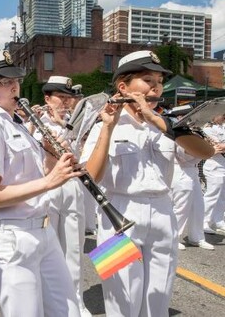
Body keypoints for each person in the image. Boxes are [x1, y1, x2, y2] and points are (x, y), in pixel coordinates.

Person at [81, 50, 214, 317]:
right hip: (116, 214)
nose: (156, 87)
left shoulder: (169, 124)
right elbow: (90, 178)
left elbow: (205, 152)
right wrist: (108, 127)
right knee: (120, 299)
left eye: (159, 81)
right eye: (147, 80)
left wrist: (161, 123)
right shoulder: (103, 124)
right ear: (123, 87)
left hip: (163, 212)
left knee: (158, 298)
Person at [0, 50, 82, 317]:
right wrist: (49, 181)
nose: (15, 86)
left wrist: (50, 155)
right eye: (6, 82)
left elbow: (34, 176)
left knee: (68, 311)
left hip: (42, 230)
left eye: (16, 80)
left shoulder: (18, 124)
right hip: (13, 236)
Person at [32, 76, 92, 317]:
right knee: (48, 249)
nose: (67, 103)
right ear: (48, 98)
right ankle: (48, 301)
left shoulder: (76, 124)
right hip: (48, 188)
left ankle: (76, 301)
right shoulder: (34, 123)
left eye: (70, 98)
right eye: (61, 98)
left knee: (74, 249)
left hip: (73, 187)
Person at [201, 114, 225, 235]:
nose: (223, 116)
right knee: (212, 195)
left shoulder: (223, 128)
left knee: (222, 196)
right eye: (220, 113)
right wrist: (222, 146)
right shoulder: (207, 129)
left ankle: (218, 220)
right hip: (214, 166)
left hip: (223, 165)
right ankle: (204, 221)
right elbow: (217, 147)